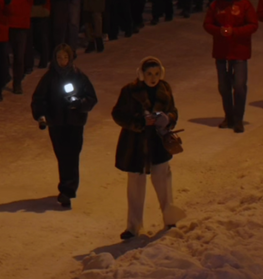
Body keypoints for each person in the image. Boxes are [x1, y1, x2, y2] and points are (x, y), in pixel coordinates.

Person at [111, 57, 186, 240]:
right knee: (135, 186)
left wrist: (167, 119)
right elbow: (118, 114)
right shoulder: (129, 91)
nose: (153, 78)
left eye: (157, 74)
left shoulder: (164, 88)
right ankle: (133, 227)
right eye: (149, 74)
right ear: (142, 74)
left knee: (163, 182)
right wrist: (140, 122)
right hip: (136, 145)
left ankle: (169, 220)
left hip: (158, 143)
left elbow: (173, 111)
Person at [30, 44, 97, 208]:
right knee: (62, 155)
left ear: (70, 58)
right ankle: (67, 186)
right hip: (57, 123)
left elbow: (91, 98)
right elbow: (39, 99)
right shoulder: (49, 78)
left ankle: (67, 190)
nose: (62, 61)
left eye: (65, 57)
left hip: (75, 123)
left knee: (72, 155)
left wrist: (79, 103)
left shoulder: (79, 76)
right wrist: (41, 115)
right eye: (59, 58)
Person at [204, 0, 256, 133]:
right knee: (224, 87)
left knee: (239, 85)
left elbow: (253, 25)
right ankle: (229, 117)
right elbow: (207, 24)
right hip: (221, 52)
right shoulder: (216, 5)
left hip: (239, 52)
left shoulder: (244, 4)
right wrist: (219, 31)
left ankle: (238, 119)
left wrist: (235, 32)